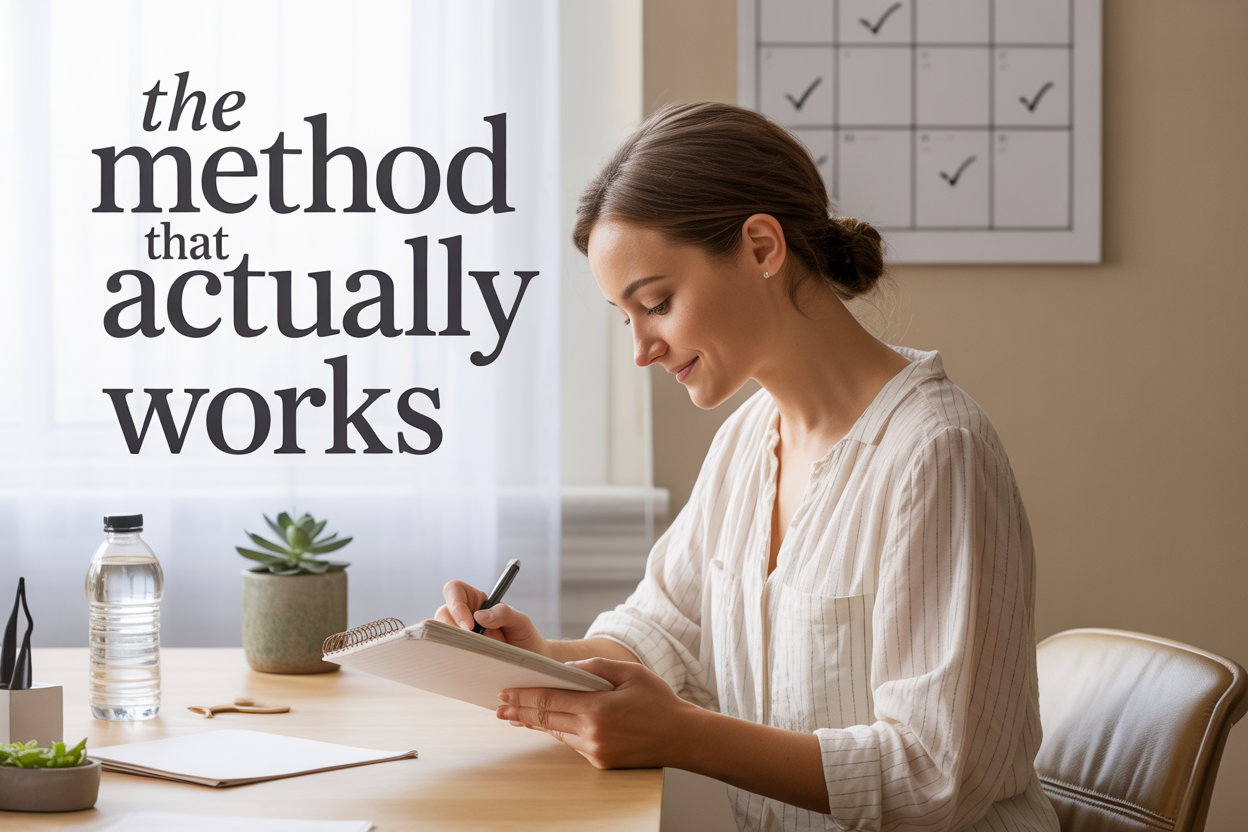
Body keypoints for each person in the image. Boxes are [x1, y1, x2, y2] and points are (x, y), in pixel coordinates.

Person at [437, 102, 1061, 832]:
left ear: (763, 247)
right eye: (625, 317)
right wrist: (538, 659)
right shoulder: (747, 441)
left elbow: (935, 774)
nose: (642, 349)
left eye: (658, 303)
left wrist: (683, 736)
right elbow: (663, 634)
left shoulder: (935, 454)